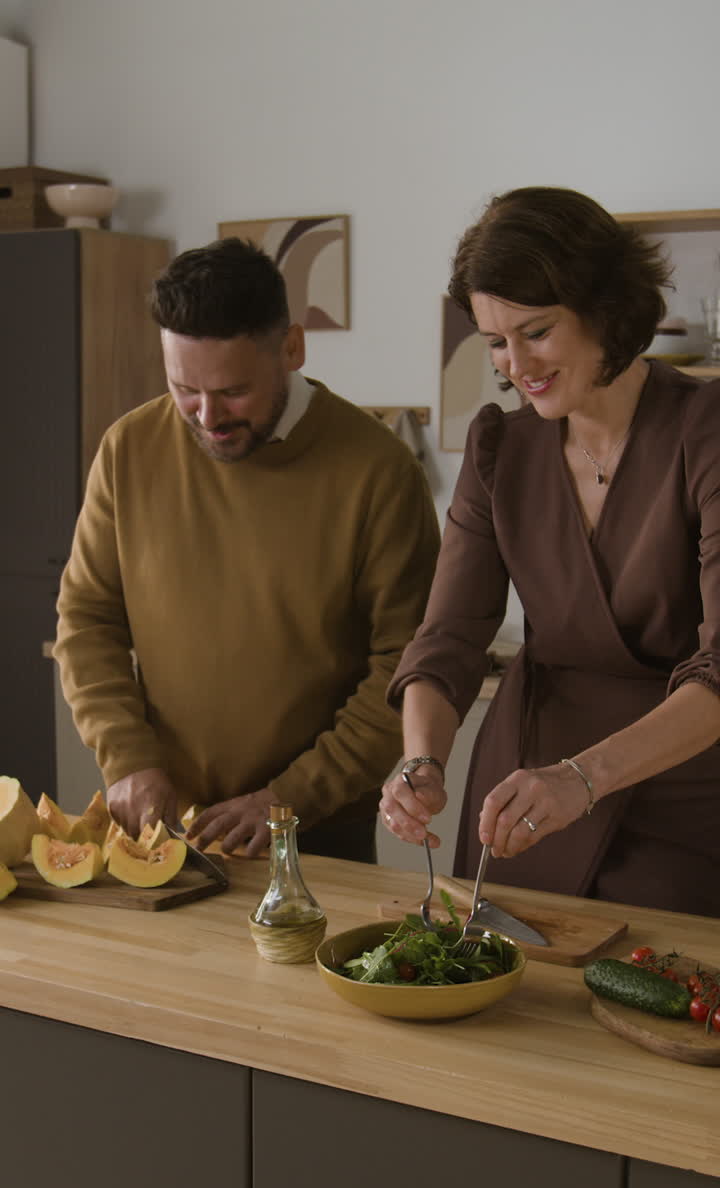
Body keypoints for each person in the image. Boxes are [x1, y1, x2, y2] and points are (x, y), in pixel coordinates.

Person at [381, 185, 720, 916]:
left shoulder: (708, 431)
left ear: (605, 309)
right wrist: (421, 761)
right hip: (522, 799)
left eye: (535, 332)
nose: (514, 364)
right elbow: (448, 639)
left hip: (681, 786)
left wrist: (583, 778)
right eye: (495, 341)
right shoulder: (500, 445)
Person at [54, 237, 440, 861]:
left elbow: (404, 668)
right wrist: (126, 757)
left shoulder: (379, 471)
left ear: (292, 348)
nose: (207, 416)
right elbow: (87, 620)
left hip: (314, 835)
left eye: (233, 392)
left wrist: (289, 798)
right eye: (184, 389)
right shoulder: (129, 449)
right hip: (163, 825)